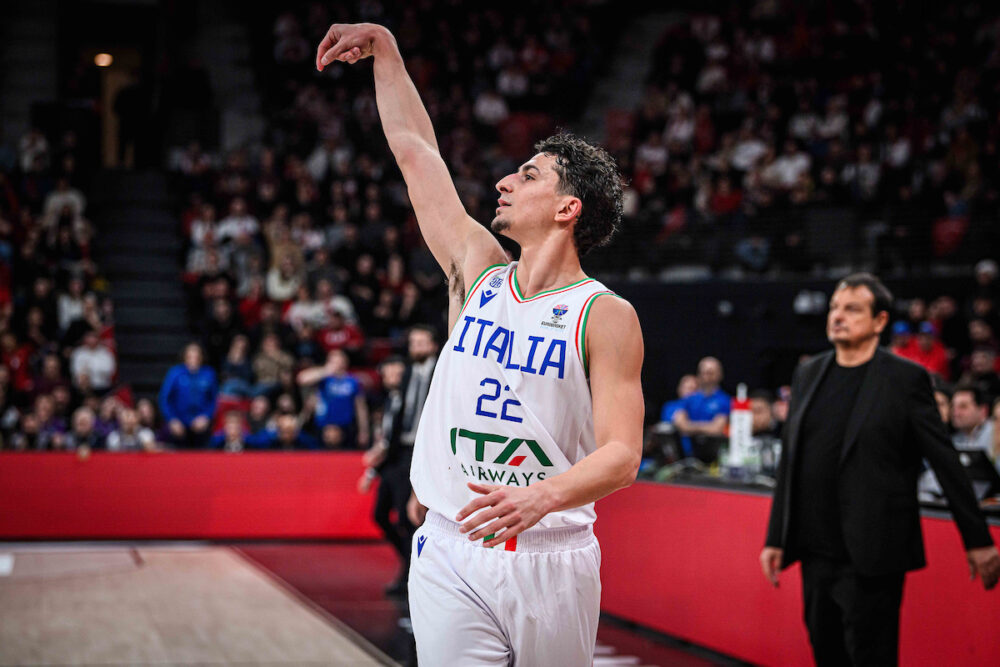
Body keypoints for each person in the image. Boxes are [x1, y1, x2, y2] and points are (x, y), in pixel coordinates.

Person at [317, 22, 644, 666]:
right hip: (450, 545)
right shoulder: (477, 270)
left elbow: (622, 456)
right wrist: (385, 47)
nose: (504, 182)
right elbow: (417, 152)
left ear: (567, 207)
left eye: (528, 175)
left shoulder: (602, 314)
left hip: (551, 552)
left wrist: (541, 496)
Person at [761, 273, 999, 666]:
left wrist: (977, 539)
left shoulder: (906, 379)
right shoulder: (808, 373)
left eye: (853, 309)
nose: (838, 316)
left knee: (872, 659)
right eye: (835, 307)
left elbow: (945, 460)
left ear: (880, 321)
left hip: (873, 553)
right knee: (826, 654)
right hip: (815, 551)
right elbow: (792, 459)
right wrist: (776, 536)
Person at [297, 349, 369, 449]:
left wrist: (363, 431)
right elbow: (302, 379)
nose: (335, 363)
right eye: (332, 360)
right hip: (323, 426)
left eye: (338, 360)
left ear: (345, 362)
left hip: (345, 427)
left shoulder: (352, 381)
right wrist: (326, 370)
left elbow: (361, 408)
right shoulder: (324, 378)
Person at [158, 343, 218, 448]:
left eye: (196, 356)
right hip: (179, 424)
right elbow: (164, 398)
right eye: (190, 356)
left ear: (201, 357)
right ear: (184, 357)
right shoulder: (175, 373)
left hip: (201, 424)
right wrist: (172, 419)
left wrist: (206, 417)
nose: (193, 359)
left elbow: (214, 399)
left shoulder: (209, 373)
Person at [670, 356, 730, 438]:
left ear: (720, 374)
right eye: (704, 372)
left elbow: (717, 429)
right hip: (690, 449)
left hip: (714, 448)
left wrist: (689, 426)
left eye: (711, 372)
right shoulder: (690, 398)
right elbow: (679, 423)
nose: (708, 376)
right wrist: (708, 426)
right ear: (699, 374)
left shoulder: (725, 400)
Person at [950, 384, 994, 453]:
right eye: (953, 406)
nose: (955, 413)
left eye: (963, 406)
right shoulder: (954, 439)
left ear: (983, 411)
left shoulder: (996, 433)